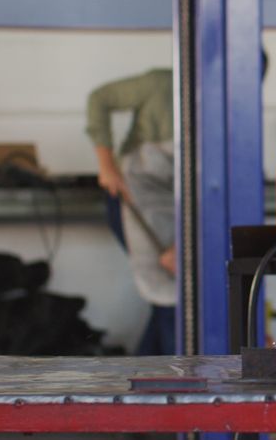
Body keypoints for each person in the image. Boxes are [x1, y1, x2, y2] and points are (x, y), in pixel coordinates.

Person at [86, 68, 177, 356]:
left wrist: (185, 245)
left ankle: (144, 380)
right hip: (132, 200)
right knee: (170, 300)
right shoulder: (161, 84)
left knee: (172, 304)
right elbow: (99, 98)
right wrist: (106, 164)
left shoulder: (228, 110)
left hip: (177, 215)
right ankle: (165, 385)